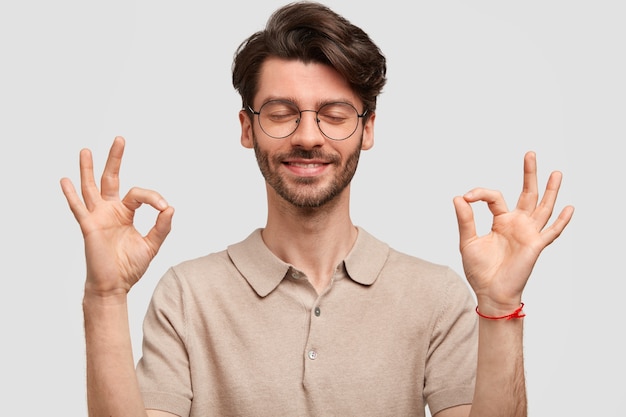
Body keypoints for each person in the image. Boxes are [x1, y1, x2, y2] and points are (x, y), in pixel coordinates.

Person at [60, 2, 574, 416]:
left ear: (367, 129)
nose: (308, 137)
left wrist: (501, 304)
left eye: (334, 115)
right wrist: (104, 295)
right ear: (247, 128)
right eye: (281, 114)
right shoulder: (187, 295)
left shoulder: (435, 295)